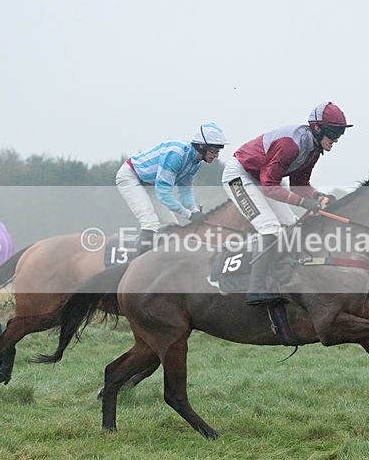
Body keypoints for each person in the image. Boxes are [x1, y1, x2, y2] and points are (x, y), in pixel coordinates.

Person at [222, 102, 353, 308]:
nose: (336, 139)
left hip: (261, 179)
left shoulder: (313, 150)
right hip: (240, 175)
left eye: (340, 133)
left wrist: (319, 196)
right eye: (333, 132)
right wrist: (304, 203)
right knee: (270, 227)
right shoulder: (290, 144)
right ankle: (255, 288)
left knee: (290, 225)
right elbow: (270, 187)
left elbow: (299, 185)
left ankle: (280, 276)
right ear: (317, 129)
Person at [115, 123, 228, 256]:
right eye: (214, 150)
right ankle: (131, 267)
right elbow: (163, 194)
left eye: (219, 151)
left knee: (172, 227)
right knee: (150, 223)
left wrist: (195, 210)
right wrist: (188, 214)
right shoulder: (176, 155)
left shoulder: (195, 164)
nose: (216, 155)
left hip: (150, 184)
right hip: (130, 177)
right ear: (201, 146)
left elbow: (185, 192)